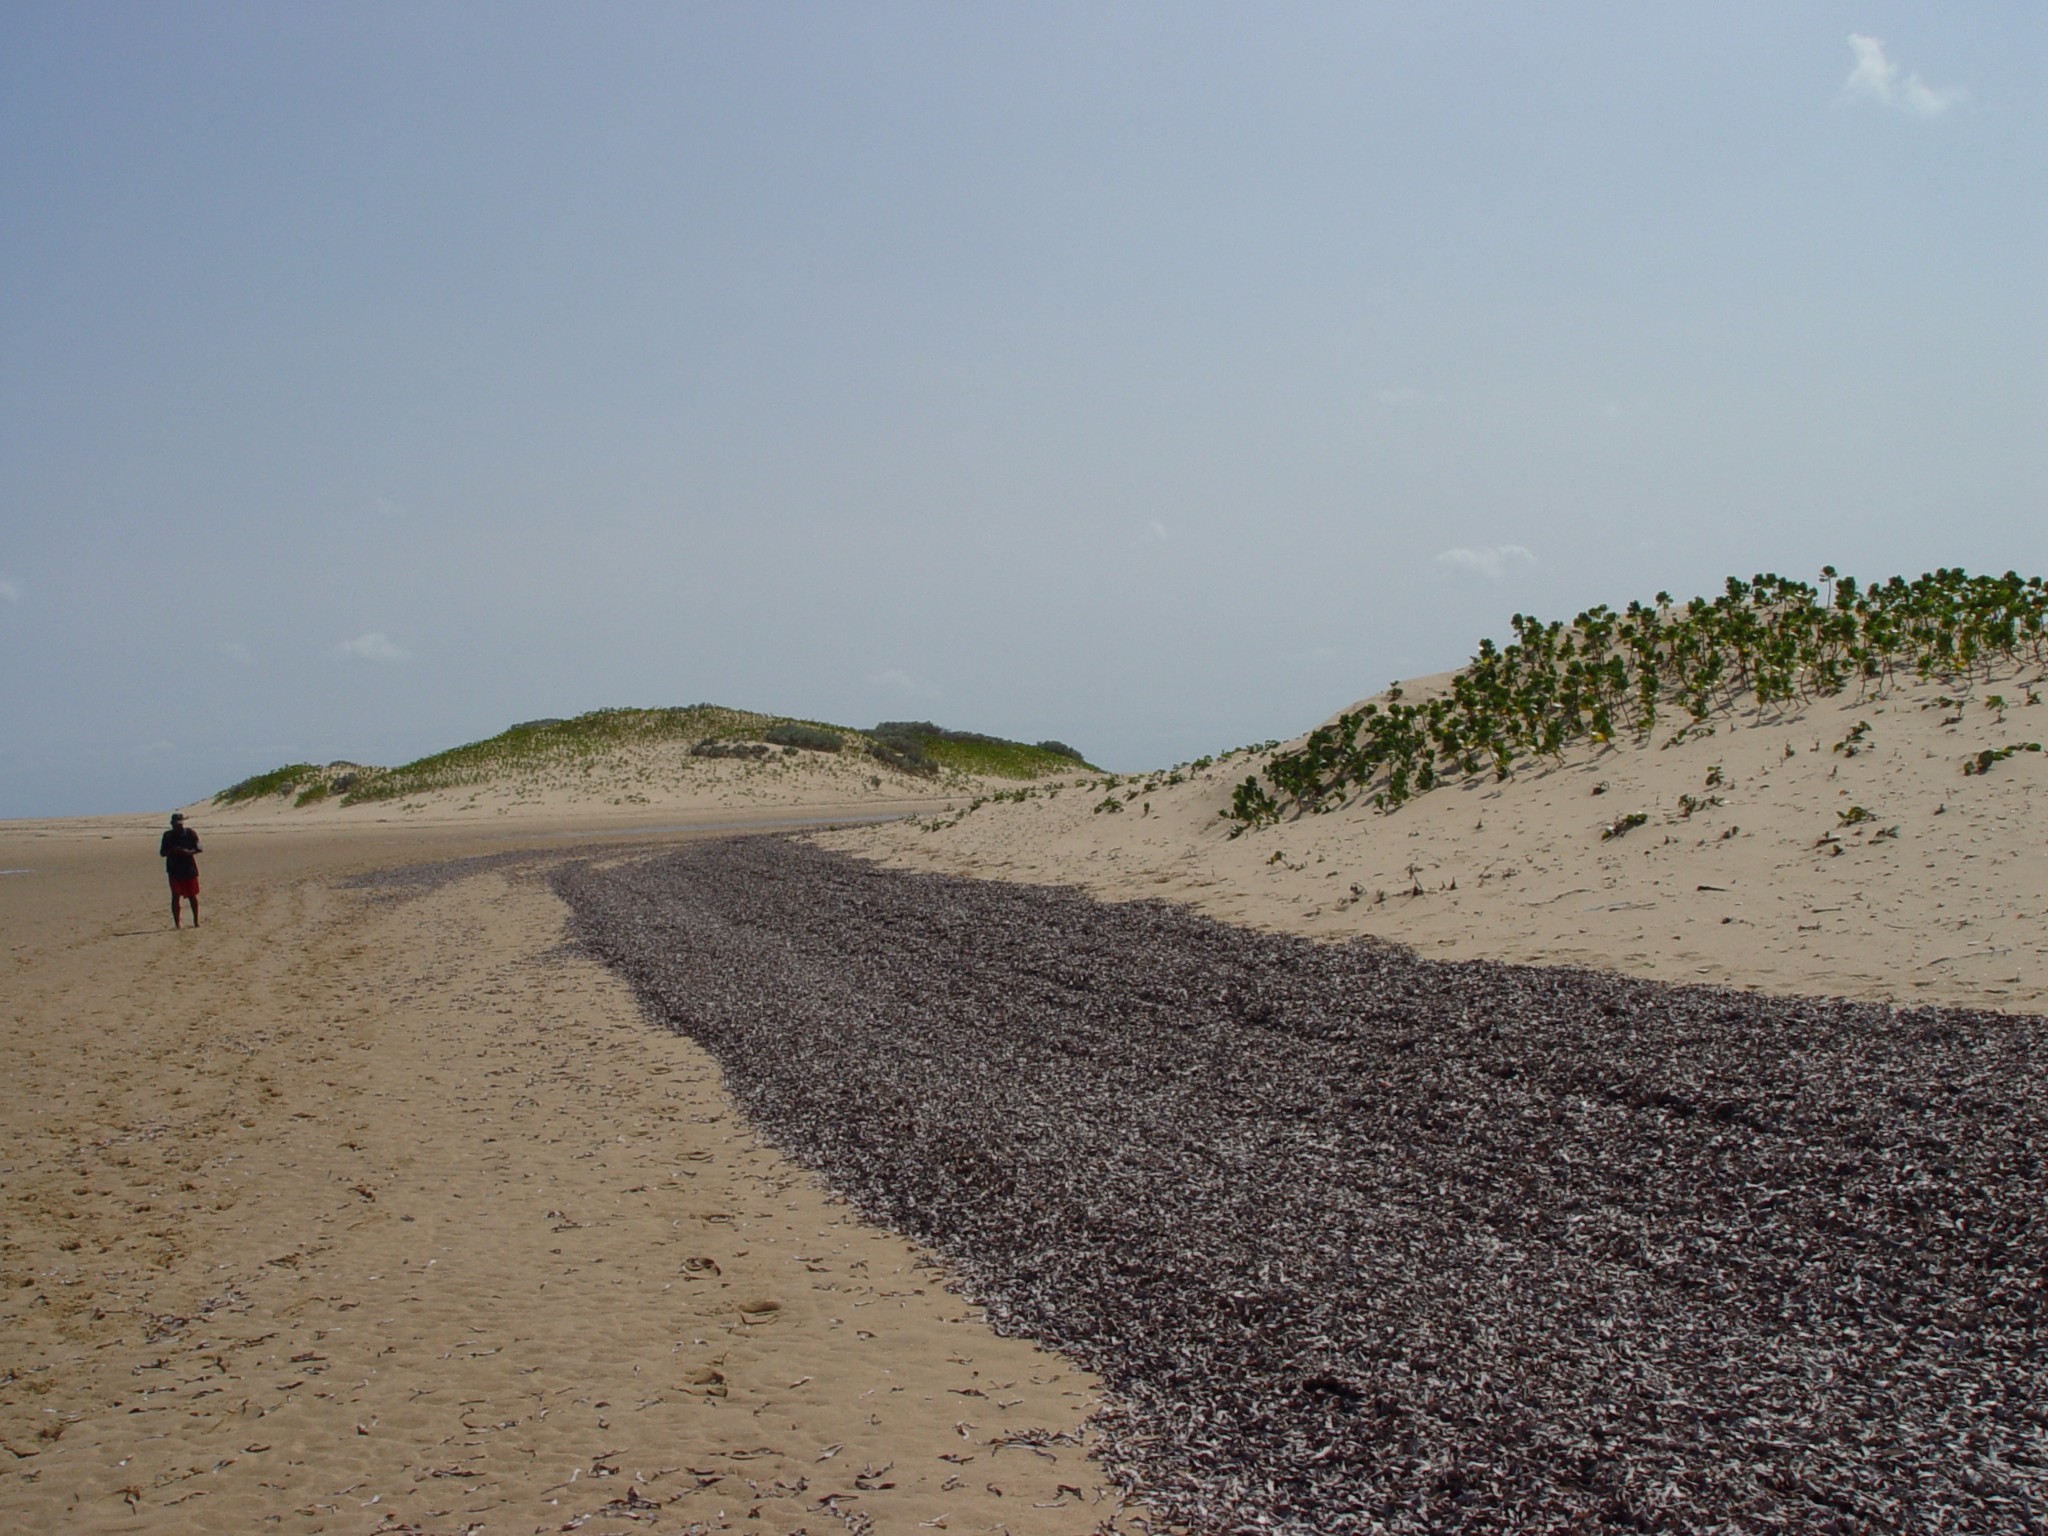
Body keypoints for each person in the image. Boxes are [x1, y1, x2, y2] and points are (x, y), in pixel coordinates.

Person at [160, 812, 202, 928]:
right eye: (175, 824)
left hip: (189, 868)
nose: (177, 826)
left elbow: (199, 848)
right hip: (174, 870)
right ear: (171, 824)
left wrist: (187, 852)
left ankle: (196, 921)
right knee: (175, 896)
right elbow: (162, 853)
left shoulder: (190, 833)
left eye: (179, 824)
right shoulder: (167, 835)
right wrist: (173, 851)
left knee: (192, 896)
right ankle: (177, 923)